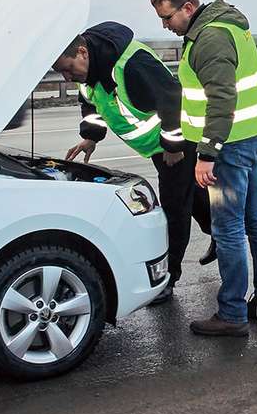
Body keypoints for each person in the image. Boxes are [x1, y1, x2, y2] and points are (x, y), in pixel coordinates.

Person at [150, 0, 257, 337]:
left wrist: (206, 154)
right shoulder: (228, 27)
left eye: (168, 17)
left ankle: (232, 313)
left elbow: (222, 99)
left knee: (228, 229)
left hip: (229, 150)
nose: (166, 26)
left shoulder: (209, 38)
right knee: (256, 221)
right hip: (252, 138)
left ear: (188, 8)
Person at [52, 22, 212, 303]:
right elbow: (91, 103)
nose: (67, 78)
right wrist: (90, 137)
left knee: (174, 207)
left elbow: (173, 99)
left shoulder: (132, 64)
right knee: (191, 194)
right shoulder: (89, 73)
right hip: (156, 146)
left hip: (175, 142)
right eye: (62, 73)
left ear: (82, 52)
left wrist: (173, 145)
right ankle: (221, 235)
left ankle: (169, 278)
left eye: (68, 69)